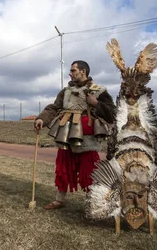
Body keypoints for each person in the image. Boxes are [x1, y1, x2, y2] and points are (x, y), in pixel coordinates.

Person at [34, 60, 115, 210]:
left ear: (83, 71)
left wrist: (96, 103)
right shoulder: (65, 91)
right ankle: (59, 200)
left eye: (73, 70)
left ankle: (93, 203)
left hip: (88, 138)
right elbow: (54, 108)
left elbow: (112, 112)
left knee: (90, 171)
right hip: (66, 136)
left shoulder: (98, 90)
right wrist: (41, 119)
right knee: (63, 168)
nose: (70, 74)